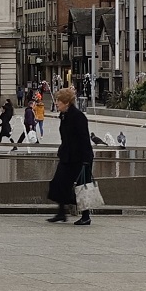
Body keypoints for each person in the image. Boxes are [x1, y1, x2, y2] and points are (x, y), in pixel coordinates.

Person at [46, 87, 94, 226]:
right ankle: (61, 213)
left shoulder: (78, 116)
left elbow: (84, 139)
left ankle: (86, 216)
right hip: (67, 156)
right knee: (58, 183)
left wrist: (86, 161)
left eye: (58, 101)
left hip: (80, 158)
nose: (56, 103)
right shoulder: (64, 116)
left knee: (81, 187)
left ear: (66, 102)